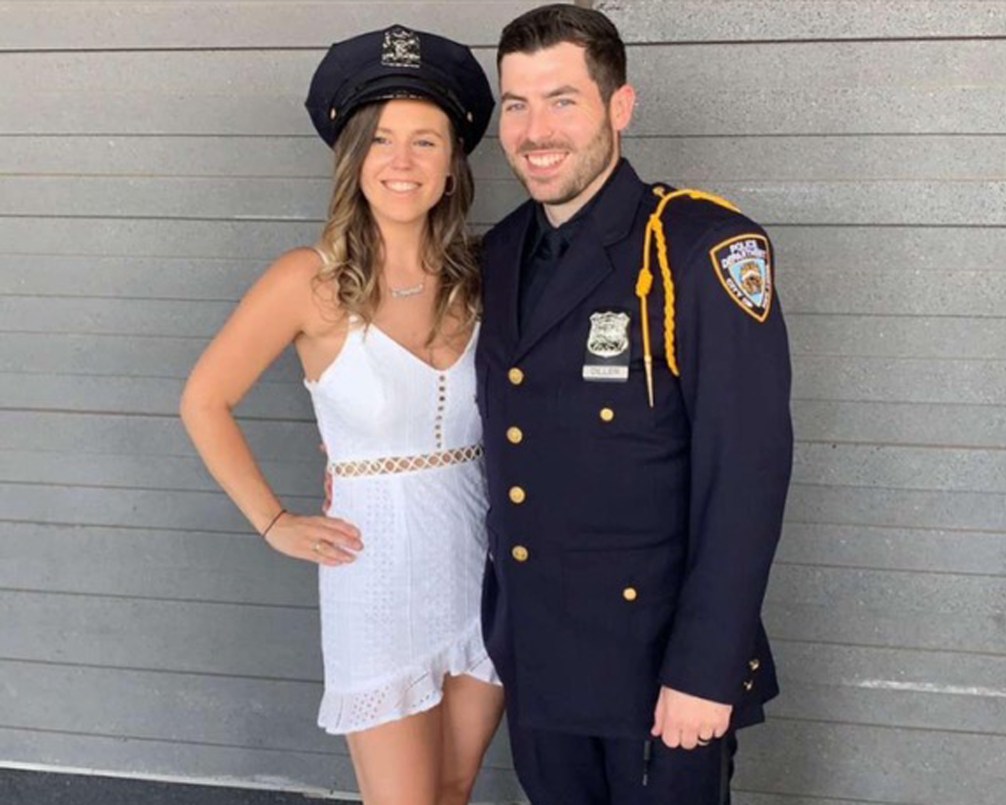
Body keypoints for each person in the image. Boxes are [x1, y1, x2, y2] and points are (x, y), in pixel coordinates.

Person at [476, 5, 793, 803]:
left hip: (657, 674)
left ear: (620, 107)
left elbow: (746, 478)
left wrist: (705, 668)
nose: (534, 129)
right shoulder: (502, 250)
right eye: (516, 104)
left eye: (562, 100)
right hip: (541, 659)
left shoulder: (699, 247)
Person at [179, 25, 504, 805]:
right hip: (376, 572)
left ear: (452, 163)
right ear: (352, 155)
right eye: (381, 139)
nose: (401, 162)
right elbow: (204, 399)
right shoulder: (308, 280)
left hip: (483, 564)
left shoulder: (487, 276)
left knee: (455, 786)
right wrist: (273, 521)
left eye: (424, 140)